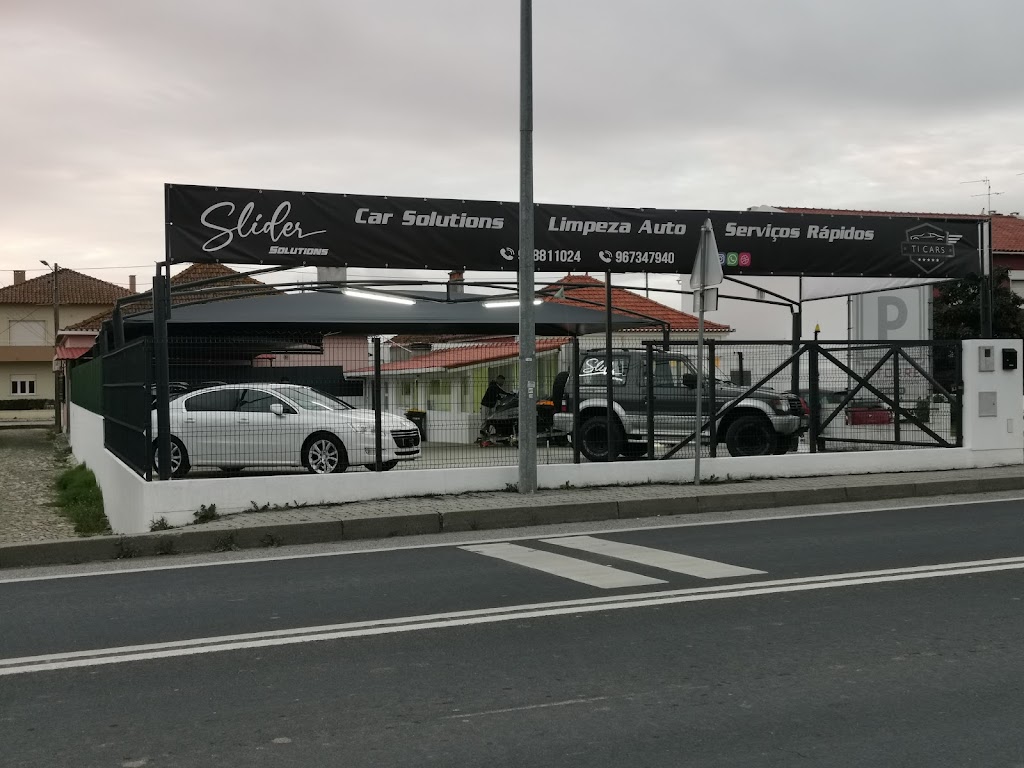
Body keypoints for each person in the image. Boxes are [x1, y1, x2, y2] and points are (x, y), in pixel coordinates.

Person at [478, 375, 510, 441]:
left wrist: (502, 397)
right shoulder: (493, 386)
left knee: (488, 420)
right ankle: (482, 436)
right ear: (498, 380)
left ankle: (486, 435)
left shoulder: (494, 387)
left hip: (490, 406)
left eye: (503, 382)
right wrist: (508, 394)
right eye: (502, 381)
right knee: (485, 420)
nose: (502, 383)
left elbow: (497, 395)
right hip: (486, 405)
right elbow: (499, 392)